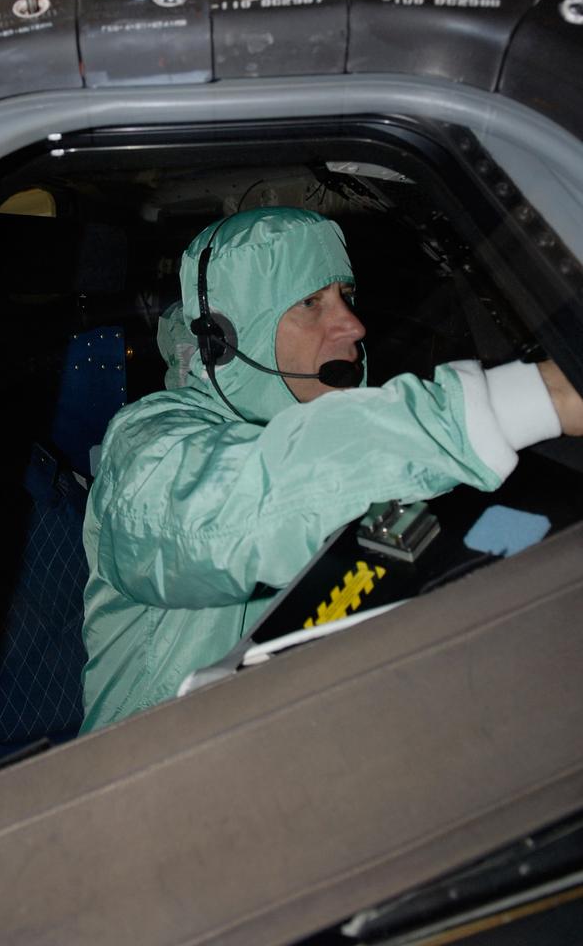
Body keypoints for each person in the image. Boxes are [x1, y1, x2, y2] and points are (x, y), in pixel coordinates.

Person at [79, 207, 583, 734]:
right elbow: (221, 513)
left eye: (346, 297)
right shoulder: (145, 445)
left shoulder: (364, 445)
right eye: (311, 303)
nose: (353, 325)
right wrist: (519, 403)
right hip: (150, 781)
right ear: (225, 339)